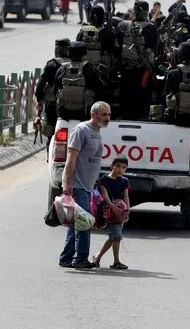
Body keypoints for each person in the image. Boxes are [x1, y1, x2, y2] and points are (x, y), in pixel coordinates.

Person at [59, 101, 111, 269]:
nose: (107, 118)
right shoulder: (81, 131)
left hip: (88, 185)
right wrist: (67, 182)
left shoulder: (97, 132)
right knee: (85, 221)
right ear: (94, 114)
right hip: (78, 184)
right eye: (104, 114)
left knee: (77, 222)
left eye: (108, 115)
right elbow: (71, 159)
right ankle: (80, 258)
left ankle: (66, 257)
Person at [92, 155, 131, 270]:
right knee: (117, 236)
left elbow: (126, 196)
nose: (120, 169)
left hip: (121, 211)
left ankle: (97, 256)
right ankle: (116, 261)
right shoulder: (103, 180)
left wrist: (127, 209)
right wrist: (113, 207)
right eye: (118, 166)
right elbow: (105, 196)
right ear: (112, 167)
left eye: (124, 167)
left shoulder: (125, 181)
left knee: (113, 237)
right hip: (109, 211)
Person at [35, 38, 72, 155]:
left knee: (51, 132)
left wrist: (40, 99)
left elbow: (39, 87)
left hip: (52, 104)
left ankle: (50, 156)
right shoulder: (76, 64)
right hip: (72, 105)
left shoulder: (51, 64)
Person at [54, 41, 108, 121]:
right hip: (85, 114)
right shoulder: (89, 68)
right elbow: (100, 89)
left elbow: (55, 90)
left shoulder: (62, 69)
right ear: (85, 54)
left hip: (64, 114)